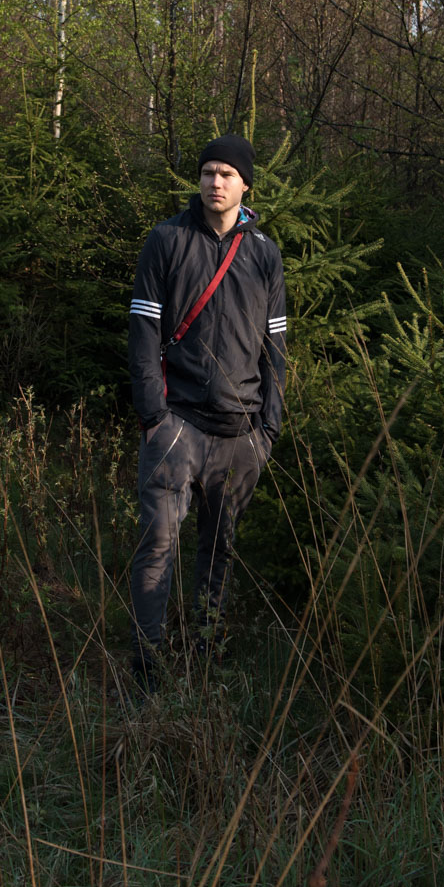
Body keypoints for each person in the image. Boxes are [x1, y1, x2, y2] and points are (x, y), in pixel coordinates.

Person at [127, 135, 287, 689]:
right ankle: (148, 666)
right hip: (178, 425)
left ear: (245, 184)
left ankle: (205, 654)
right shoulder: (166, 241)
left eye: (225, 174)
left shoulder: (265, 253)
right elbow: (144, 331)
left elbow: (277, 347)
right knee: (158, 544)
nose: (214, 182)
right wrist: (153, 416)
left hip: (241, 433)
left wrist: (268, 427)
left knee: (219, 549)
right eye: (206, 173)